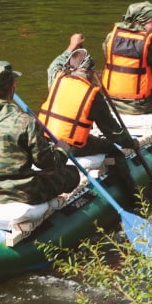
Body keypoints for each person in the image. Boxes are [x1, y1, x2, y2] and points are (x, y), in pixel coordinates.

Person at [0, 60, 81, 205]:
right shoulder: (25, 122)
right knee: (71, 174)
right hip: (19, 192)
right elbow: (46, 163)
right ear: (12, 86)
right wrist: (61, 150)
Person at [39, 45, 139, 197]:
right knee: (113, 150)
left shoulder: (57, 79)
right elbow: (112, 131)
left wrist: (70, 47)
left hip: (45, 141)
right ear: (89, 71)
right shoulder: (92, 95)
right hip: (71, 146)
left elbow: (53, 67)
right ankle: (134, 197)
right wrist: (130, 143)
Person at [100, 1, 152, 115]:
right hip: (140, 106)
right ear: (140, 22)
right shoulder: (151, 45)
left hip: (111, 102)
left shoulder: (111, 37)